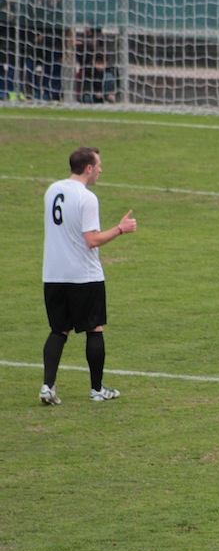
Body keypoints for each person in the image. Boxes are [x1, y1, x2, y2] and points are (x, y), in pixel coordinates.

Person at [40, 146, 137, 405]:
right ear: (89, 168)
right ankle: (96, 390)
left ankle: (47, 387)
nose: (101, 171)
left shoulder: (52, 190)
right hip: (83, 276)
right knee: (94, 329)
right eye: (99, 166)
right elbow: (92, 240)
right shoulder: (87, 198)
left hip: (53, 274)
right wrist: (120, 229)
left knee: (58, 331)